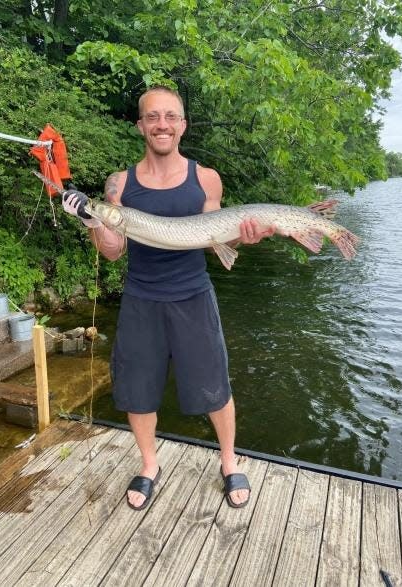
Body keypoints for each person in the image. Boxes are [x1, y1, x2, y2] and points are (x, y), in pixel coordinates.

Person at [62, 86, 276, 510]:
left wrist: (250, 234)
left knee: (215, 384)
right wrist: (90, 221)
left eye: (170, 116)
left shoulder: (207, 178)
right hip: (142, 298)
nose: (161, 124)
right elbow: (114, 249)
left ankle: (230, 462)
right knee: (138, 388)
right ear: (141, 125)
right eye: (152, 117)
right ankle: (149, 465)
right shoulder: (119, 185)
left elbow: (219, 237)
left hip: (194, 295)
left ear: (182, 125)